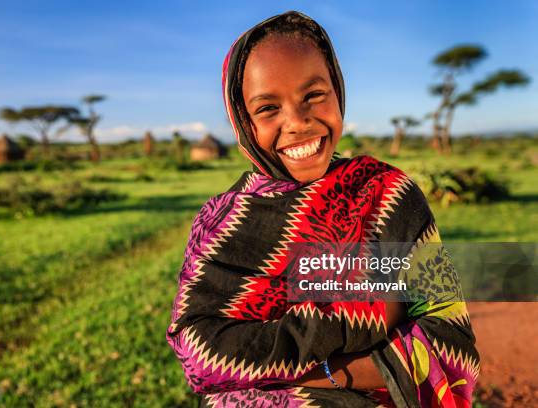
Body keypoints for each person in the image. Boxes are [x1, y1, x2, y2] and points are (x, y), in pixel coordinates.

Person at [167, 11, 479, 407]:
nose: (297, 122)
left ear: (338, 91)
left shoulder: (387, 195)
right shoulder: (220, 224)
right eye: (268, 108)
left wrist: (307, 372)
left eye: (314, 95)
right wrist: (372, 314)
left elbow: (450, 341)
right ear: (242, 119)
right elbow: (199, 355)